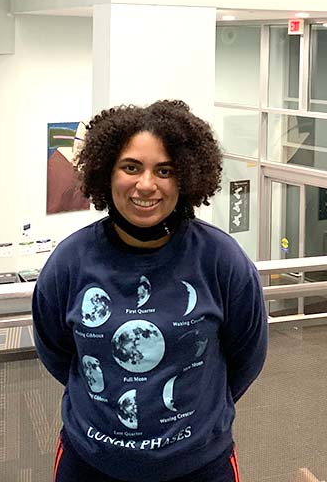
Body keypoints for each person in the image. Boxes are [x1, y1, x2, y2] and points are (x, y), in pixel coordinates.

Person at [32, 100, 268, 482]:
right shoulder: (70, 262)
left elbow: (246, 358)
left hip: (199, 468)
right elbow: (57, 352)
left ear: (187, 177)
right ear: (106, 173)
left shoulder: (221, 260)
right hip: (90, 465)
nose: (146, 184)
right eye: (131, 167)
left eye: (165, 171)